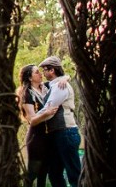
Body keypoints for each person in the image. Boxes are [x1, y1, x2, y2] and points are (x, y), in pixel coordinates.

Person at [38, 56, 82, 187]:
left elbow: (49, 109)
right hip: (58, 134)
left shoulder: (60, 86)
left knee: (74, 174)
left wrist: (34, 119)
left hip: (66, 132)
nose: (43, 73)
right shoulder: (53, 85)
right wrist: (66, 76)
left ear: (52, 70)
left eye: (45, 70)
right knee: (54, 173)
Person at [16, 64, 60, 187]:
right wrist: (46, 113)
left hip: (49, 137)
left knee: (44, 173)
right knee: (32, 173)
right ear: (30, 78)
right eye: (36, 72)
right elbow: (32, 120)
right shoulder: (27, 94)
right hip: (37, 138)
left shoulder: (46, 87)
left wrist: (65, 79)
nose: (41, 74)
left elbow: (61, 79)